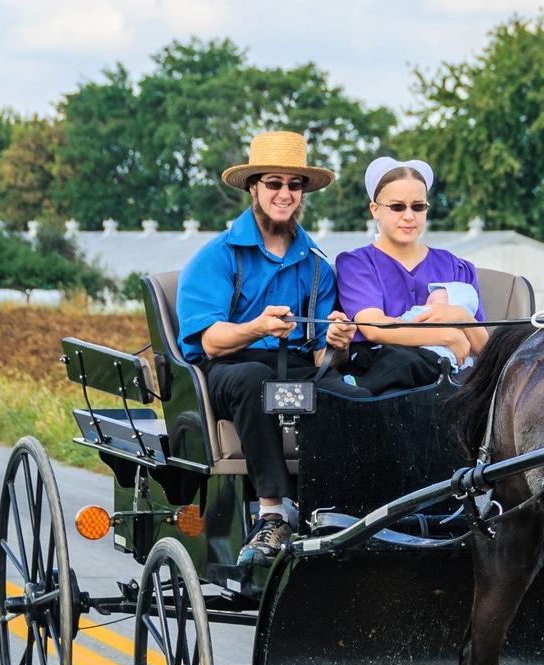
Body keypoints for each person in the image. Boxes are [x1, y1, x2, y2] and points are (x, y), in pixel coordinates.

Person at [175, 130, 363, 564]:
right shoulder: (218, 256)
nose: (284, 193)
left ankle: (344, 509)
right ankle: (273, 514)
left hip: (295, 365)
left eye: (293, 185)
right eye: (273, 183)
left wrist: (337, 342)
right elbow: (209, 340)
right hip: (229, 370)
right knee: (255, 379)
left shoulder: (317, 265)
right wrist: (256, 326)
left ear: (302, 193)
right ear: (253, 188)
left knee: (355, 397)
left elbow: (321, 358)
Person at [334, 157, 489, 393]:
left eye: (418, 207)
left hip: (448, 383)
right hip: (380, 383)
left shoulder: (456, 267)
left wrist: (459, 316)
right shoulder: (358, 265)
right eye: (397, 207)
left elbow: (483, 348)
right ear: (375, 210)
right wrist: (447, 336)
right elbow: (374, 328)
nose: (409, 216)